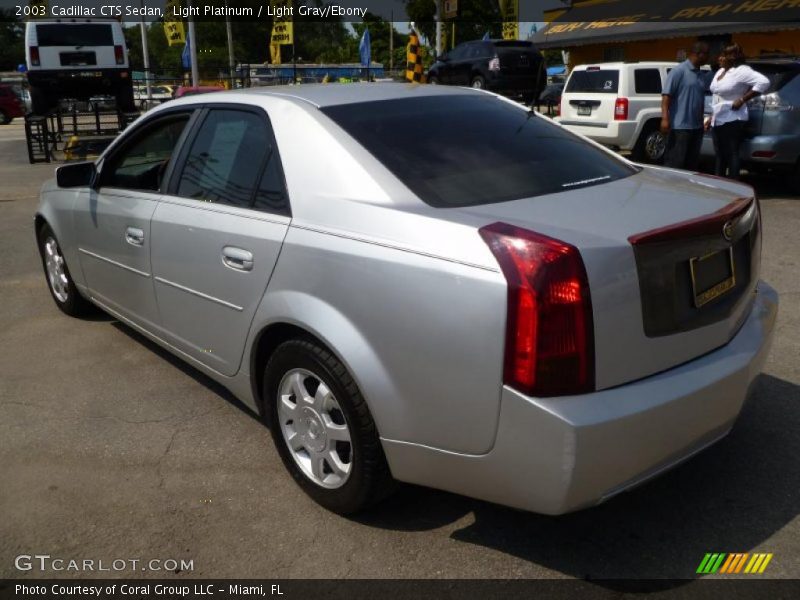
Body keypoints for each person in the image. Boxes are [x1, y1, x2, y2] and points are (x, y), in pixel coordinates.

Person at [707, 43, 770, 180]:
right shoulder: (720, 71)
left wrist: (742, 99)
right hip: (718, 118)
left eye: (723, 56)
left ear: (732, 57)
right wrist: (711, 117)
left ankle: (734, 184)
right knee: (719, 154)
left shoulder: (741, 71)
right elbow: (717, 95)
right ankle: (720, 183)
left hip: (733, 118)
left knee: (731, 153)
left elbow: (764, 82)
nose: (719, 58)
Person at [661, 42, 711, 170]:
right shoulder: (679, 71)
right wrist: (665, 119)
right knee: (675, 163)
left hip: (696, 128)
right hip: (680, 127)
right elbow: (666, 97)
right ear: (698, 54)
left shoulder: (700, 75)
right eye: (706, 54)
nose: (708, 57)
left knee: (691, 165)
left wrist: (703, 121)